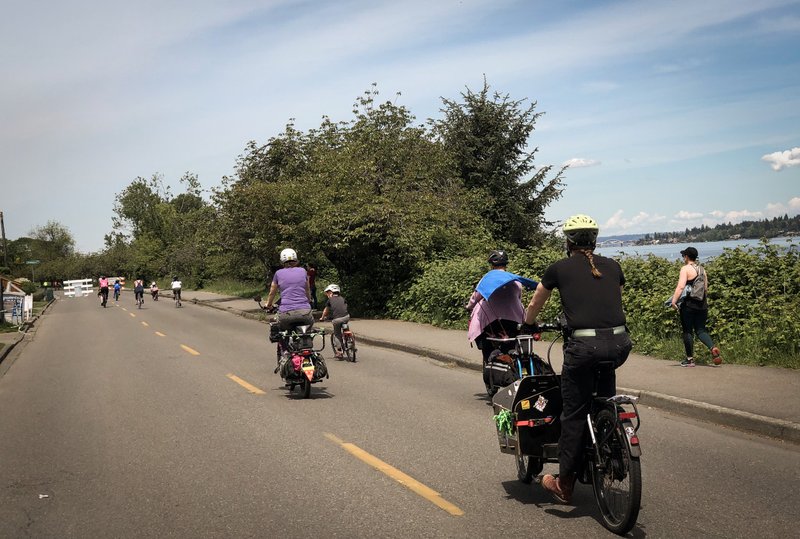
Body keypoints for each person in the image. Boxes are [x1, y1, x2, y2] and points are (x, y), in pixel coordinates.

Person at [522, 214, 632, 504]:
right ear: (594, 240)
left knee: (573, 413)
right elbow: (612, 299)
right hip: (619, 344)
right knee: (605, 399)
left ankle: (565, 484)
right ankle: (614, 451)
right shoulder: (613, 266)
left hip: (583, 348)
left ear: (568, 241)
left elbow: (536, 302)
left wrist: (528, 323)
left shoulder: (559, 268)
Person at [466, 250, 525, 394]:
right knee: (513, 345)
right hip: (513, 321)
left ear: (492, 265)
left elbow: (476, 297)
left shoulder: (486, 279)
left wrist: (468, 306)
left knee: (487, 345)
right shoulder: (515, 280)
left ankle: (492, 369)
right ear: (506, 264)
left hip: (491, 322)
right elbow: (518, 297)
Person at [670, 246, 722, 367]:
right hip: (702, 304)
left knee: (687, 331)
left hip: (689, 305)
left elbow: (681, 287)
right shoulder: (703, 270)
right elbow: (706, 289)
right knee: (701, 330)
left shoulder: (685, 269)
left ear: (687, 257)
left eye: (684, 256)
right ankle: (712, 347)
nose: (683, 258)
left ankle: (689, 360)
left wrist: (674, 301)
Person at [265, 248, 313, 330]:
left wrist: (269, 305)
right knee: (308, 329)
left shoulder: (278, 273)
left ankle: (284, 343)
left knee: (281, 331)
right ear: (295, 259)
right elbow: (307, 289)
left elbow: (272, 292)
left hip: (286, 313)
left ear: (282, 261)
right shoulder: (303, 271)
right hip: (305, 312)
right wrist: (309, 301)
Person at [319, 284, 350, 359]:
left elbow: (326, 310)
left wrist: (322, 317)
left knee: (337, 334)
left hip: (337, 319)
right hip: (346, 317)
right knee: (345, 324)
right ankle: (349, 337)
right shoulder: (342, 298)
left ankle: (339, 351)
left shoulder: (330, 300)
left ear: (331, 293)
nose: (327, 295)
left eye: (327, 293)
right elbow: (344, 307)